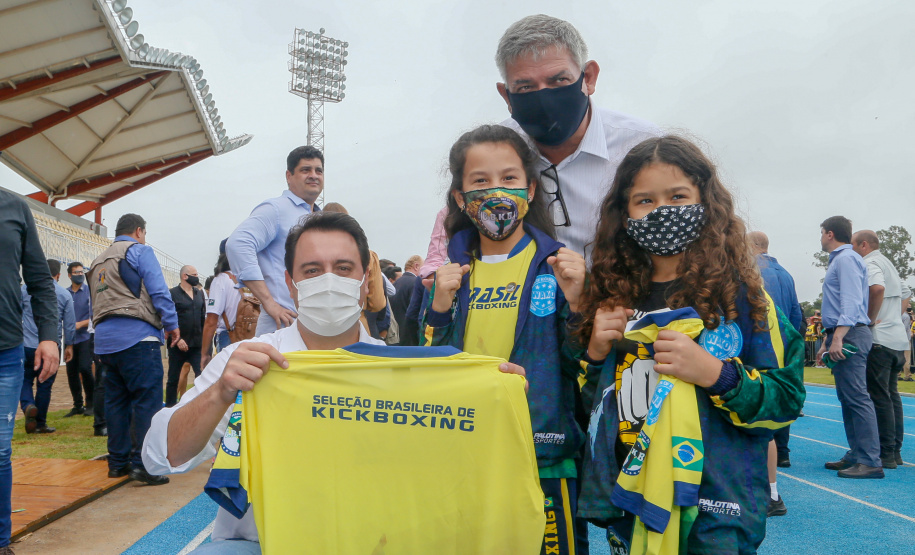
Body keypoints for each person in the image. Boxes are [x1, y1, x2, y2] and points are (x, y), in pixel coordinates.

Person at [141, 211, 528, 552]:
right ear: (291, 285)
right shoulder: (248, 362)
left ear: (364, 281)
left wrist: (495, 397)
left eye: (343, 269)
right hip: (263, 543)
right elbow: (160, 458)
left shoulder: (400, 372)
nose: (328, 280)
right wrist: (220, 395)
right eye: (312, 270)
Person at [575, 136, 805, 552]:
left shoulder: (744, 297)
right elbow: (586, 408)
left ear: (706, 201)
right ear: (623, 214)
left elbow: (786, 400)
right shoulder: (613, 295)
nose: (662, 211)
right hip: (632, 501)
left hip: (716, 509)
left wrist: (717, 375)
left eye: (678, 196)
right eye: (644, 200)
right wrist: (593, 355)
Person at [422, 125, 588, 555]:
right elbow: (427, 370)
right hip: (466, 454)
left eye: (509, 178)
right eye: (480, 181)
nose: (496, 190)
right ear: (460, 197)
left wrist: (580, 306)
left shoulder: (558, 267)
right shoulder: (450, 277)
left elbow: (582, 366)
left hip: (545, 457)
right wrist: (438, 309)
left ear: (531, 189)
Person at [88, 213, 180, 486]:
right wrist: (172, 325)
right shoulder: (139, 251)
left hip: (104, 342)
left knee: (115, 403)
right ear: (139, 231)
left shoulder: (97, 262)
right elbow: (159, 292)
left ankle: (117, 464)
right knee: (146, 402)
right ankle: (145, 465)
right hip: (138, 337)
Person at [0, 189, 59, 555]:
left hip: (4, 350)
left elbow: (40, 282)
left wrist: (49, 336)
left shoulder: (14, 206)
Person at [226, 146, 324, 336]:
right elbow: (238, 244)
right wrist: (269, 303)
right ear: (289, 176)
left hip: (317, 326)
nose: (314, 175)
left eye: (318, 170)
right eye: (305, 170)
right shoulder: (276, 209)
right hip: (283, 324)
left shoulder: (320, 217)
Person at [816, 216, 883, 478]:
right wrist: (828, 338)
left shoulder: (845, 259)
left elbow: (852, 302)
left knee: (856, 397)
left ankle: (869, 460)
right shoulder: (844, 259)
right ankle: (858, 454)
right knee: (848, 398)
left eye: (821, 233)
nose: (821, 238)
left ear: (830, 234)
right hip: (846, 332)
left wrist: (838, 337)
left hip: (850, 333)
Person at [748, 230, 803, 516]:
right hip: (780, 348)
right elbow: (796, 316)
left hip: (756, 348)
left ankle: (767, 488)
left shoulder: (749, 272)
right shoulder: (787, 274)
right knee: (770, 420)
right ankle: (782, 458)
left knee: (754, 421)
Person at [851, 230, 911, 468]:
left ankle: (886, 452)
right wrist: (896, 315)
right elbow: (906, 292)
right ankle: (894, 451)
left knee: (879, 397)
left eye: (854, 246)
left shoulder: (871, 262)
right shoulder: (888, 263)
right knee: (892, 396)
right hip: (897, 340)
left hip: (880, 341)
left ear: (864, 245)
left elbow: (876, 289)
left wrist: (869, 318)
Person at [20, 259, 75, 435]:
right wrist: (69, 345)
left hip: (27, 344)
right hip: (50, 346)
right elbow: (70, 325)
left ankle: (28, 405)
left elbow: (15, 313)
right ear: (58, 275)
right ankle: (40, 423)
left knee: (25, 380)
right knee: (45, 384)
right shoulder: (64, 295)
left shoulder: (24, 290)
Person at [166, 265, 206, 407]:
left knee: (201, 376)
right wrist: (177, 340)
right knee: (173, 379)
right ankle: (169, 408)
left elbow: (203, 318)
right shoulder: (172, 294)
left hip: (197, 345)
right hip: (177, 344)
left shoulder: (199, 293)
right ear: (185, 276)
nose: (197, 277)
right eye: (194, 274)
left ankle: (198, 405)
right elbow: (167, 318)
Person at [201, 242, 242, 368]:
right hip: (251, 335)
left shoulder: (221, 280)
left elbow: (211, 321)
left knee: (229, 383)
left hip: (228, 336)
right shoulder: (248, 277)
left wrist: (204, 354)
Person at [63, 261, 95, 419]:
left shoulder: (89, 292)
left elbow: (93, 316)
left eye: (81, 272)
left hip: (85, 337)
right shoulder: (65, 293)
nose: (79, 275)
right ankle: (77, 405)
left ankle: (91, 403)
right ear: (69, 275)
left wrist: (79, 324)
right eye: (76, 272)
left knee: (85, 369)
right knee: (71, 372)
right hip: (69, 339)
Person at [391, 255, 422, 346]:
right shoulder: (416, 283)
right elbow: (415, 312)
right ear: (416, 266)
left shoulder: (396, 283)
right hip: (409, 337)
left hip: (395, 334)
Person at [904, 307, 914, 381]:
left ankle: (897, 374)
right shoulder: (906, 316)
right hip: (906, 339)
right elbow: (904, 328)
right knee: (907, 359)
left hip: (897, 339)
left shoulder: (898, 315)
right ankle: (907, 375)